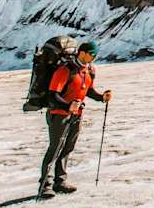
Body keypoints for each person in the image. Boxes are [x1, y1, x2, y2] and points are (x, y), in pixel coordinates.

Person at [38, 40, 112, 199]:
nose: (94, 57)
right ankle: (45, 185)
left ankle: (60, 181)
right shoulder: (65, 70)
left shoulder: (88, 71)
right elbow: (53, 95)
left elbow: (88, 90)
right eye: (92, 54)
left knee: (68, 147)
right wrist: (67, 106)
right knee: (55, 148)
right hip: (59, 114)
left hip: (76, 115)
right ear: (82, 53)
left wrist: (101, 97)